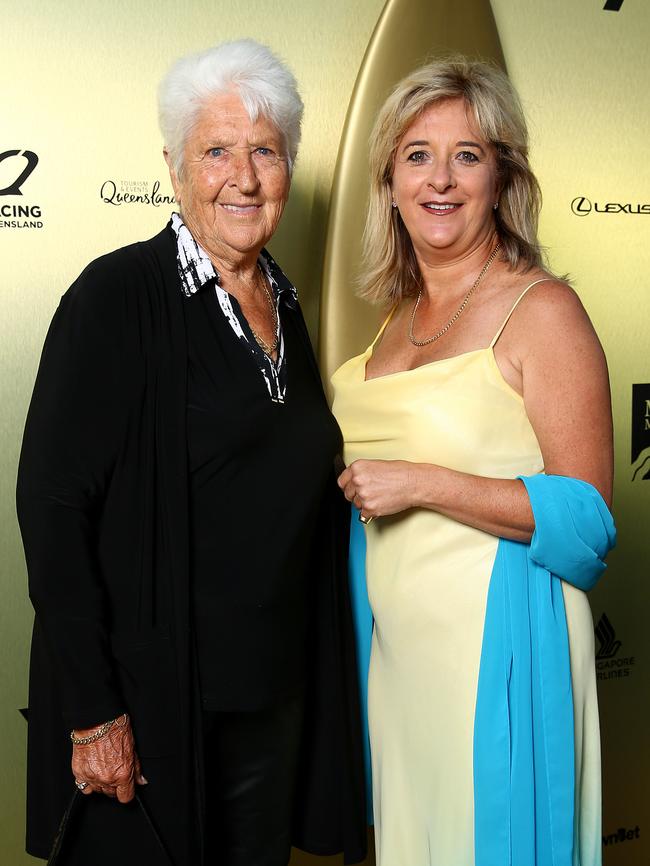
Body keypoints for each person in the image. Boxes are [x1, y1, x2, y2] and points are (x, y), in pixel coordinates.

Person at [17, 39, 365, 866]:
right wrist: (96, 713)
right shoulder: (116, 297)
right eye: (216, 151)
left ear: (288, 170)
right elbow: (52, 509)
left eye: (266, 152)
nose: (243, 177)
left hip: (273, 705)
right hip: (154, 706)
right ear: (175, 169)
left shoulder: (285, 303)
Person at [331, 57, 616, 866]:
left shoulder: (542, 310)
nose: (441, 179)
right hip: (396, 664)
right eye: (418, 154)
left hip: (496, 657)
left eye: (469, 154)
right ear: (389, 179)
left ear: (502, 177)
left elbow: (589, 520)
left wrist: (421, 483)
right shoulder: (393, 321)